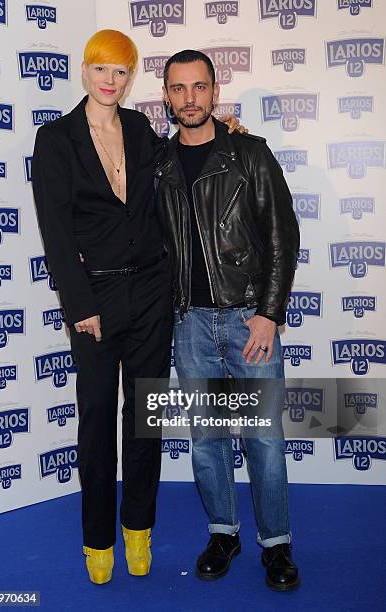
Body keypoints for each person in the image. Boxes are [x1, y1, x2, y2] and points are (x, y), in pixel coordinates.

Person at [32, 30, 243, 585]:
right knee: (98, 421)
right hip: (94, 300)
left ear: (130, 79)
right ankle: (97, 541)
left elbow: (183, 156)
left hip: (152, 292)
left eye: (121, 72)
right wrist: (80, 304)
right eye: (101, 69)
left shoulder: (139, 128)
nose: (110, 80)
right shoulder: (55, 140)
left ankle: (138, 532)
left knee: (144, 420)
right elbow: (56, 234)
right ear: (85, 71)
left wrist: (230, 135)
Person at [154, 50, 301, 591]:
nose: (189, 97)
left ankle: (276, 544)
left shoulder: (250, 154)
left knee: (263, 438)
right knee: (206, 440)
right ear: (166, 95)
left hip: (248, 321)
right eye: (178, 88)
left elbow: (284, 236)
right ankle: (223, 532)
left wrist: (269, 313)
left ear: (215, 91)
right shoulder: (160, 164)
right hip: (190, 324)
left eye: (199, 87)